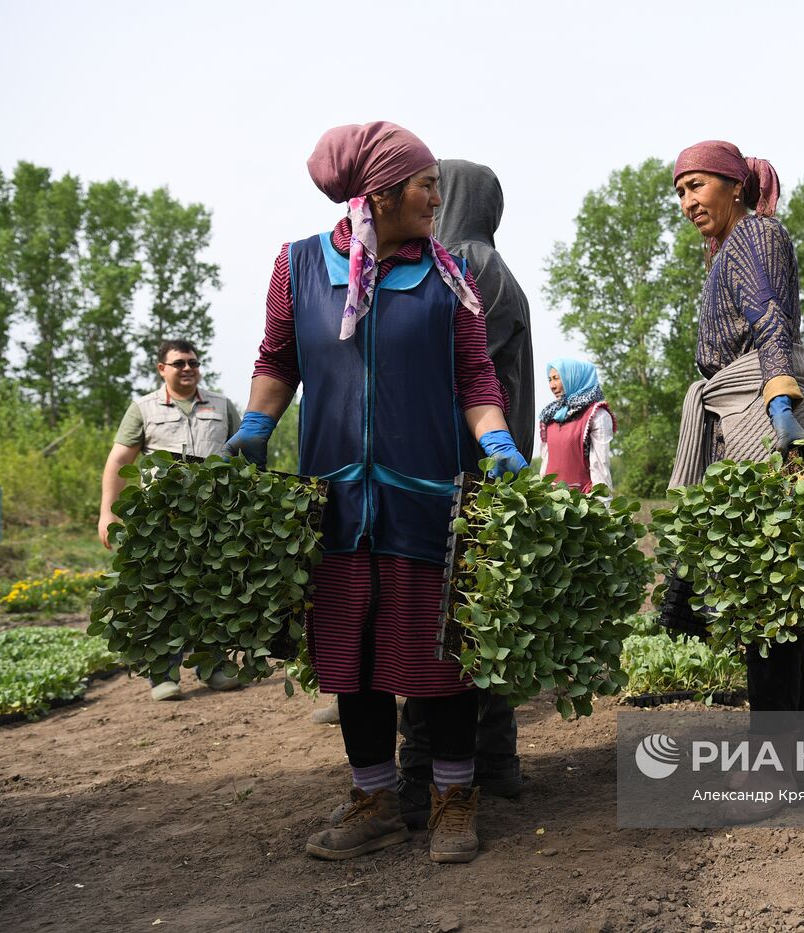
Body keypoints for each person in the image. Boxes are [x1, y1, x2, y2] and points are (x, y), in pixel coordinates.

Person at [221, 121, 525, 863]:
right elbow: (277, 357)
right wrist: (257, 423)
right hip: (336, 502)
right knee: (350, 659)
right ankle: (376, 797)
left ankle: (455, 799)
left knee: (438, 656)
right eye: (426, 185)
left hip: (425, 497)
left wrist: (494, 435)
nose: (436, 197)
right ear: (382, 194)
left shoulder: (447, 275)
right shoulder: (297, 267)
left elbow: (476, 376)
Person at [668, 140, 804, 823]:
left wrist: (777, 396)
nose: (688, 202)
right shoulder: (732, 246)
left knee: (767, 601)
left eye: (698, 186)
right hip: (742, 413)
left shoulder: (757, 234)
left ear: (735, 186)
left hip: (761, 424)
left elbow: (772, 317)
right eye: (680, 191)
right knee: (776, 602)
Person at [391, 158, 535, 827]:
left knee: (439, 626)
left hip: (462, 469)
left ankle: (423, 770)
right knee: (479, 625)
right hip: (486, 470)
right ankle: (495, 762)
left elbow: (444, 367)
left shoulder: (466, 266)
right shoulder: (493, 266)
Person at [97, 339, 243, 701]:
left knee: (213, 592)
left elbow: (246, 458)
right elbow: (118, 463)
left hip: (214, 517)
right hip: (160, 521)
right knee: (161, 596)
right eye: (179, 363)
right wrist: (108, 513)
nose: (188, 368)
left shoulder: (223, 406)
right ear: (162, 368)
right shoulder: (143, 409)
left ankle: (214, 667)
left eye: (193, 362)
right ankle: (164, 676)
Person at [538, 358, 615, 492]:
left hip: (583, 502)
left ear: (574, 378)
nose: (552, 386)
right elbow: (546, 464)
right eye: (549, 379)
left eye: (556, 378)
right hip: (551, 503)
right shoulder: (550, 416)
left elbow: (600, 465)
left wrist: (602, 506)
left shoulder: (596, 415)